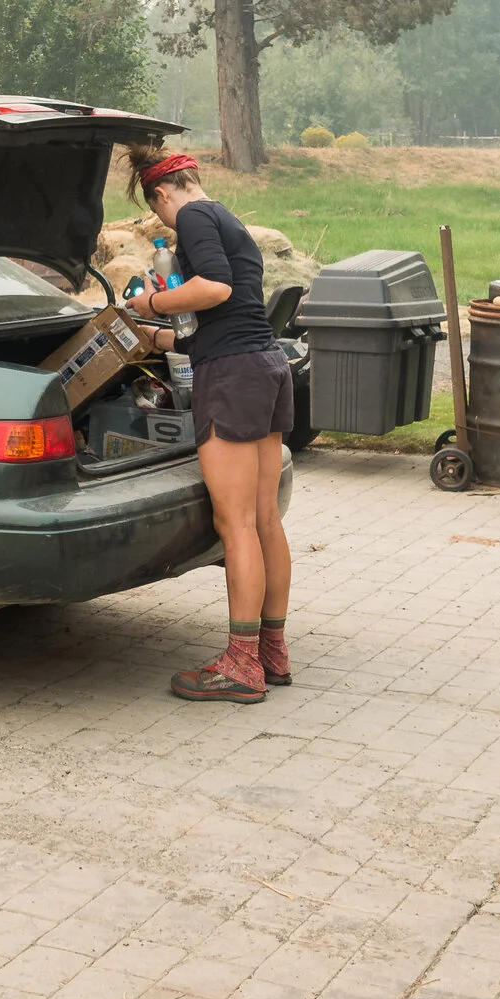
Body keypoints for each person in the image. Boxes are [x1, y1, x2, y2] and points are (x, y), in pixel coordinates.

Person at [127, 143, 292, 704]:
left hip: (234, 378)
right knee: (265, 518)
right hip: (265, 364)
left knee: (237, 524)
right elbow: (225, 314)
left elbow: (213, 288)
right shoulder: (227, 217)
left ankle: (240, 665)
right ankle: (271, 650)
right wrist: (160, 337)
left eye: (158, 214)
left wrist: (152, 303)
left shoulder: (193, 215)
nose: (165, 225)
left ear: (162, 195)